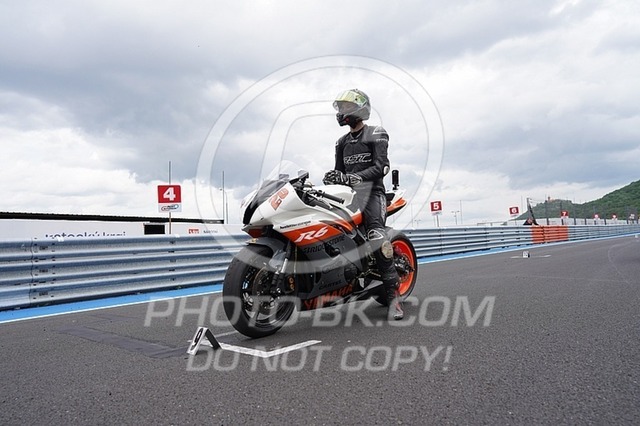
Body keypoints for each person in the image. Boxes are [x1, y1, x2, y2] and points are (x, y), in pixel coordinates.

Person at [322, 89, 403, 320]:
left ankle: (394, 299)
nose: (342, 112)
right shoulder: (341, 142)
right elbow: (339, 172)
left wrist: (352, 178)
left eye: (346, 107)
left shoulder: (376, 133)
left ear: (360, 108)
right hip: (348, 196)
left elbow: (381, 167)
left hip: (373, 194)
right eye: (340, 108)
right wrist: (332, 178)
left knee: (377, 236)